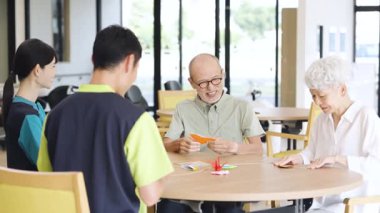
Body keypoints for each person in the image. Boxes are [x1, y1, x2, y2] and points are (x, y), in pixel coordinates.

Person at [37, 25, 173, 213]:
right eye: (136, 68)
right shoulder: (136, 119)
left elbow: (47, 178)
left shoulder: (54, 115)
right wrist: (165, 173)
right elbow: (150, 195)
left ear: (93, 60)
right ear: (129, 62)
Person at [158, 53, 265, 213]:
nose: (211, 88)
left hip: (229, 183)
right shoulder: (183, 108)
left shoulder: (241, 107)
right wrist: (178, 144)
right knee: (166, 207)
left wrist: (235, 147)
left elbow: (258, 149)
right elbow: (165, 145)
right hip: (190, 184)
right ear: (192, 83)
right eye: (202, 83)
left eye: (216, 79)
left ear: (223, 74)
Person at [275, 56, 380, 213]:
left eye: (322, 96)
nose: (317, 102)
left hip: (353, 206)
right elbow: (312, 152)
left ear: (342, 90)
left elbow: (376, 165)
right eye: (313, 96)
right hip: (323, 205)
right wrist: (298, 158)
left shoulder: (366, 117)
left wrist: (338, 159)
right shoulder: (322, 120)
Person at [2, 39, 56, 171]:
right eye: (52, 66)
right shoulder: (27, 117)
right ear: (37, 70)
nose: (55, 72)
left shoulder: (27, 107)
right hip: (37, 190)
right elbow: (47, 165)